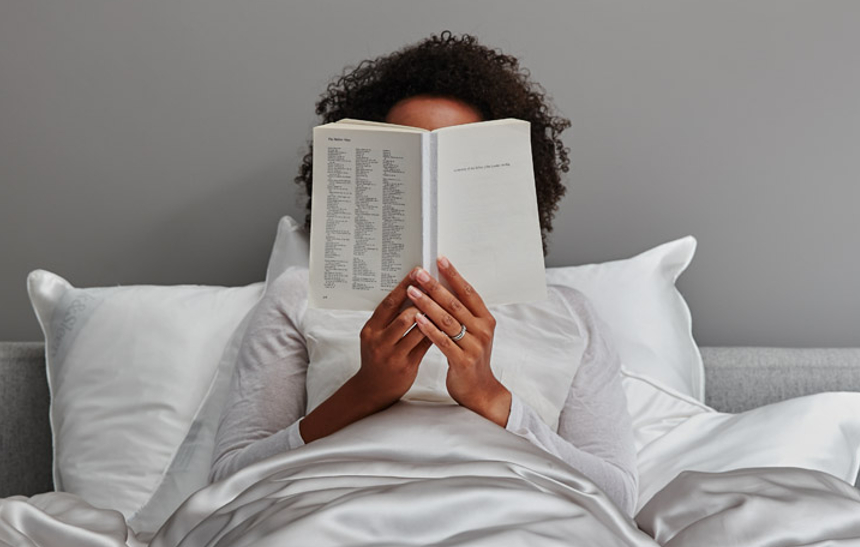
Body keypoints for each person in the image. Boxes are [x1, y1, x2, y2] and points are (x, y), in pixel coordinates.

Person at [211, 32, 638, 515]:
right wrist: (364, 393)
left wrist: (489, 396)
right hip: (336, 514)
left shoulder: (569, 316)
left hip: (514, 521)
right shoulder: (299, 295)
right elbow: (228, 480)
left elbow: (619, 497)